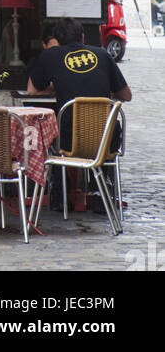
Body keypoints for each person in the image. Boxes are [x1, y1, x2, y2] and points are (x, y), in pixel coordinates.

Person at [27, 17, 131, 211]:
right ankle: (103, 187)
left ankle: (60, 193)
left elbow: (32, 90)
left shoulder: (52, 55)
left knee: (53, 136)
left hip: (68, 139)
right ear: (83, 37)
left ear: (57, 40)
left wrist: (57, 88)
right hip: (104, 140)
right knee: (112, 127)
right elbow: (126, 95)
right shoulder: (103, 54)